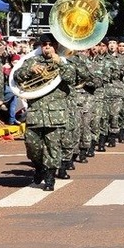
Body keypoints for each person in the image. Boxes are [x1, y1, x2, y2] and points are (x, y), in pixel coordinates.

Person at [13, 33, 76, 191]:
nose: (47, 47)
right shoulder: (31, 61)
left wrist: (60, 63)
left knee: (52, 147)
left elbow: (71, 78)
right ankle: (39, 167)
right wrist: (30, 71)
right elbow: (16, 76)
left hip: (56, 113)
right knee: (32, 146)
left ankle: (49, 178)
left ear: (56, 46)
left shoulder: (64, 60)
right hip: (35, 112)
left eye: (50, 44)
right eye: (44, 44)